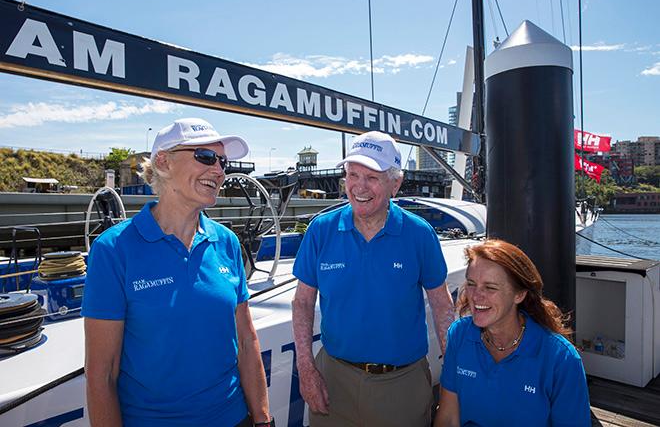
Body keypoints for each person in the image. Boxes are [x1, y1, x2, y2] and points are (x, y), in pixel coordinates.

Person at [82, 118, 273, 427]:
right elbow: (102, 374)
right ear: (163, 162)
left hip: (233, 418)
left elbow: (246, 341)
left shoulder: (226, 242)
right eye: (206, 157)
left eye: (222, 162)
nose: (220, 171)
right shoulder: (114, 249)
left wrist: (263, 420)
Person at [292, 130, 455, 427]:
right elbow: (303, 302)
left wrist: (454, 381)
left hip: (402, 386)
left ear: (395, 184)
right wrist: (305, 367)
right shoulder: (320, 230)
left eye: (372, 177)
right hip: (333, 381)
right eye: (353, 175)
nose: (359, 187)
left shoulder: (419, 235)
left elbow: (442, 306)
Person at [434, 239, 591, 427]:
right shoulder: (459, 335)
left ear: (519, 295)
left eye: (490, 287)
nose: (476, 296)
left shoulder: (561, 359)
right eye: (471, 283)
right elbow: (449, 418)